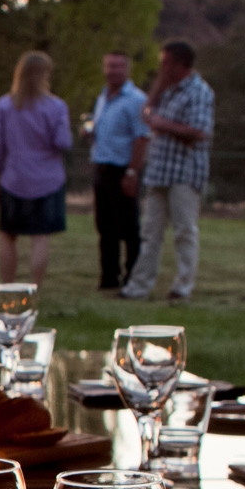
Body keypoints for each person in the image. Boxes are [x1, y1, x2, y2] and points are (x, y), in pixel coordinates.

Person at [119, 39, 215, 302]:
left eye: (165, 63)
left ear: (179, 64)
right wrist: (157, 89)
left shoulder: (198, 92)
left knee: (184, 231)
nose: (161, 68)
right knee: (150, 233)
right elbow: (147, 113)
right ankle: (139, 286)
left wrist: (165, 124)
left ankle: (182, 287)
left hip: (184, 173)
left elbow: (199, 132)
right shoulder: (168, 91)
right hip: (159, 171)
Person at [0, 50, 72, 285]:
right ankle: (34, 288)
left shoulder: (4, 105)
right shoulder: (56, 106)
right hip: (47, 179)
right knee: (40, 237)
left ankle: (7, 286)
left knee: (7, 235)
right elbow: (63, 142)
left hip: (14, 177)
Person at [85, 49, 149, 291]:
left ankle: (133, 276)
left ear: (127, 69)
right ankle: (108, 276)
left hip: (122, 169)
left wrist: (132, 172)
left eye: (118, 67)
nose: (113, 71)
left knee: (129, 227)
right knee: (105, 226)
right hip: (101, 166)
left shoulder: (135, 100)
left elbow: (141, 138)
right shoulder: (102, 97)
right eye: (110, 66)